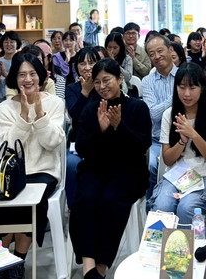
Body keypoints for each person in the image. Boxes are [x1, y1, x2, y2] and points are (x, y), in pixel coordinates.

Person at [69, 59, 152, 279]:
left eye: (107, 80)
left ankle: (101, 267)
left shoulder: (137, 107)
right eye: (97, 82)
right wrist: (100, 129)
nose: (102, 86)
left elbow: (142, 145)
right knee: (85, 199)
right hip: (95, 168)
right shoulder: (91, 109)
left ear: (120, 79)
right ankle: (89, 267)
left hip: (128, 171)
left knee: (110, 201)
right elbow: (81, 147)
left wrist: (119, 126)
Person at [0, 54, 65, 259]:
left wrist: (40, 115)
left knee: (31, 201)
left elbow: (51, 142)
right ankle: (3, 262)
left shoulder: (55, 103)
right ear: (15, 77)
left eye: (32, 74)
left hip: (43, 170)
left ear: (40, 76)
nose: (28, 79)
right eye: (22, 75)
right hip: (11, 172)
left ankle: (17, 260)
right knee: (5, 203)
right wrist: (23, 116)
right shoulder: (4, 108)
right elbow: (9, 148)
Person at [148, 63, 206, 229]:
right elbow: (168, 160)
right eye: (182, 87)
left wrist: (193, 135)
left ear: (202, 88)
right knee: (162, 206)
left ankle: (191, 247)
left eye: (192, 87)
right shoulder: (169, 115)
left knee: (187, 207)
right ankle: (159, 246)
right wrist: (182, 141)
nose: (187, 93)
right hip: (178, 176)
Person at [141, 35, 179, 196]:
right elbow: (153, 115)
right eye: (151, 54)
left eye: (160, 51)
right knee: (150, 165)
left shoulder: (185, 76)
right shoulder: (147, 81)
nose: (156, 56)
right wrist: (175, 97)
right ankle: (152, 206)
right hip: (156, 140)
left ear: (170, 50)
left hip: (186, 138)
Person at [64, 48, 101, 208]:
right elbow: (75, 115)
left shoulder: (104, 87)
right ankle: (75, 208)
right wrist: (85, 91)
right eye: (82, 63)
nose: (87, 67)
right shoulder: (72, 88)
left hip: (102, 141)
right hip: (78, 142)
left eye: (91, 62)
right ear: (76, 66)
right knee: (71, 165)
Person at [0, 31, 21, 105]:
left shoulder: (21, 61)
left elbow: (20, 82)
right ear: (2, 44)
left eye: (12, 42)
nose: (9, 44)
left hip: (18, 98)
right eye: (6, 42)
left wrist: (5, 74)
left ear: (17, 44)